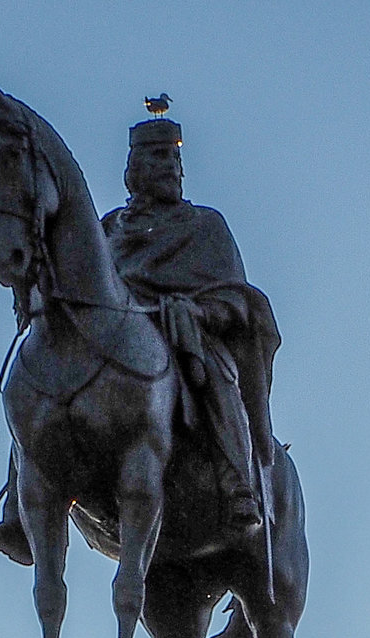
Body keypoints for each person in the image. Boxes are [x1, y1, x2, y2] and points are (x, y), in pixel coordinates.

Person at [100, 109, 280, 542]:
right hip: (112, 337)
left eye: (176, 161)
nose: (172, 170)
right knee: (47, 379)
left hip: (189, 333)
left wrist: (198, 311)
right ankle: (19, 511)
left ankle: (238, 482)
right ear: (135, 170)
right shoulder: (107, 229)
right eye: (161, 159)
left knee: (217, 374)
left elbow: (236, 296)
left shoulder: (206, 225)